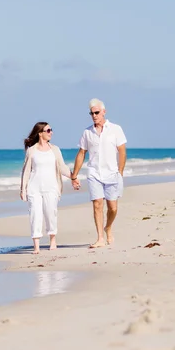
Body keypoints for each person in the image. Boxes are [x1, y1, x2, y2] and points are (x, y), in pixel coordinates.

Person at [71, 98, 127, 248]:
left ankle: (108, 227)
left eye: (96, 112)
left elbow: (122, 151)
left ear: (104, 112)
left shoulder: (116, 129)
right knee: (97, 204)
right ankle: (100, 238)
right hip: (94, 173)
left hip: (112, 173)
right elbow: (82, 153)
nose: (94, 115)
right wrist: (74, 175)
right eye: (91, 113)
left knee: (113, 208)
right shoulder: (87, 132)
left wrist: (120, 171)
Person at [20, 122, 73, 254]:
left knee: (51, 213)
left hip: (51, 187)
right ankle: (36, 246)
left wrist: (74, 177)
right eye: (48, 130)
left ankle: (52, 240)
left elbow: (62, 167)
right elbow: (26, 171)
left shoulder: (55, 149)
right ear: (40, 133)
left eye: (51, 130)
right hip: (34, 188)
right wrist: (23, 189)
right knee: (35, 215)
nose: (51, 133)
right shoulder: (31, 151)